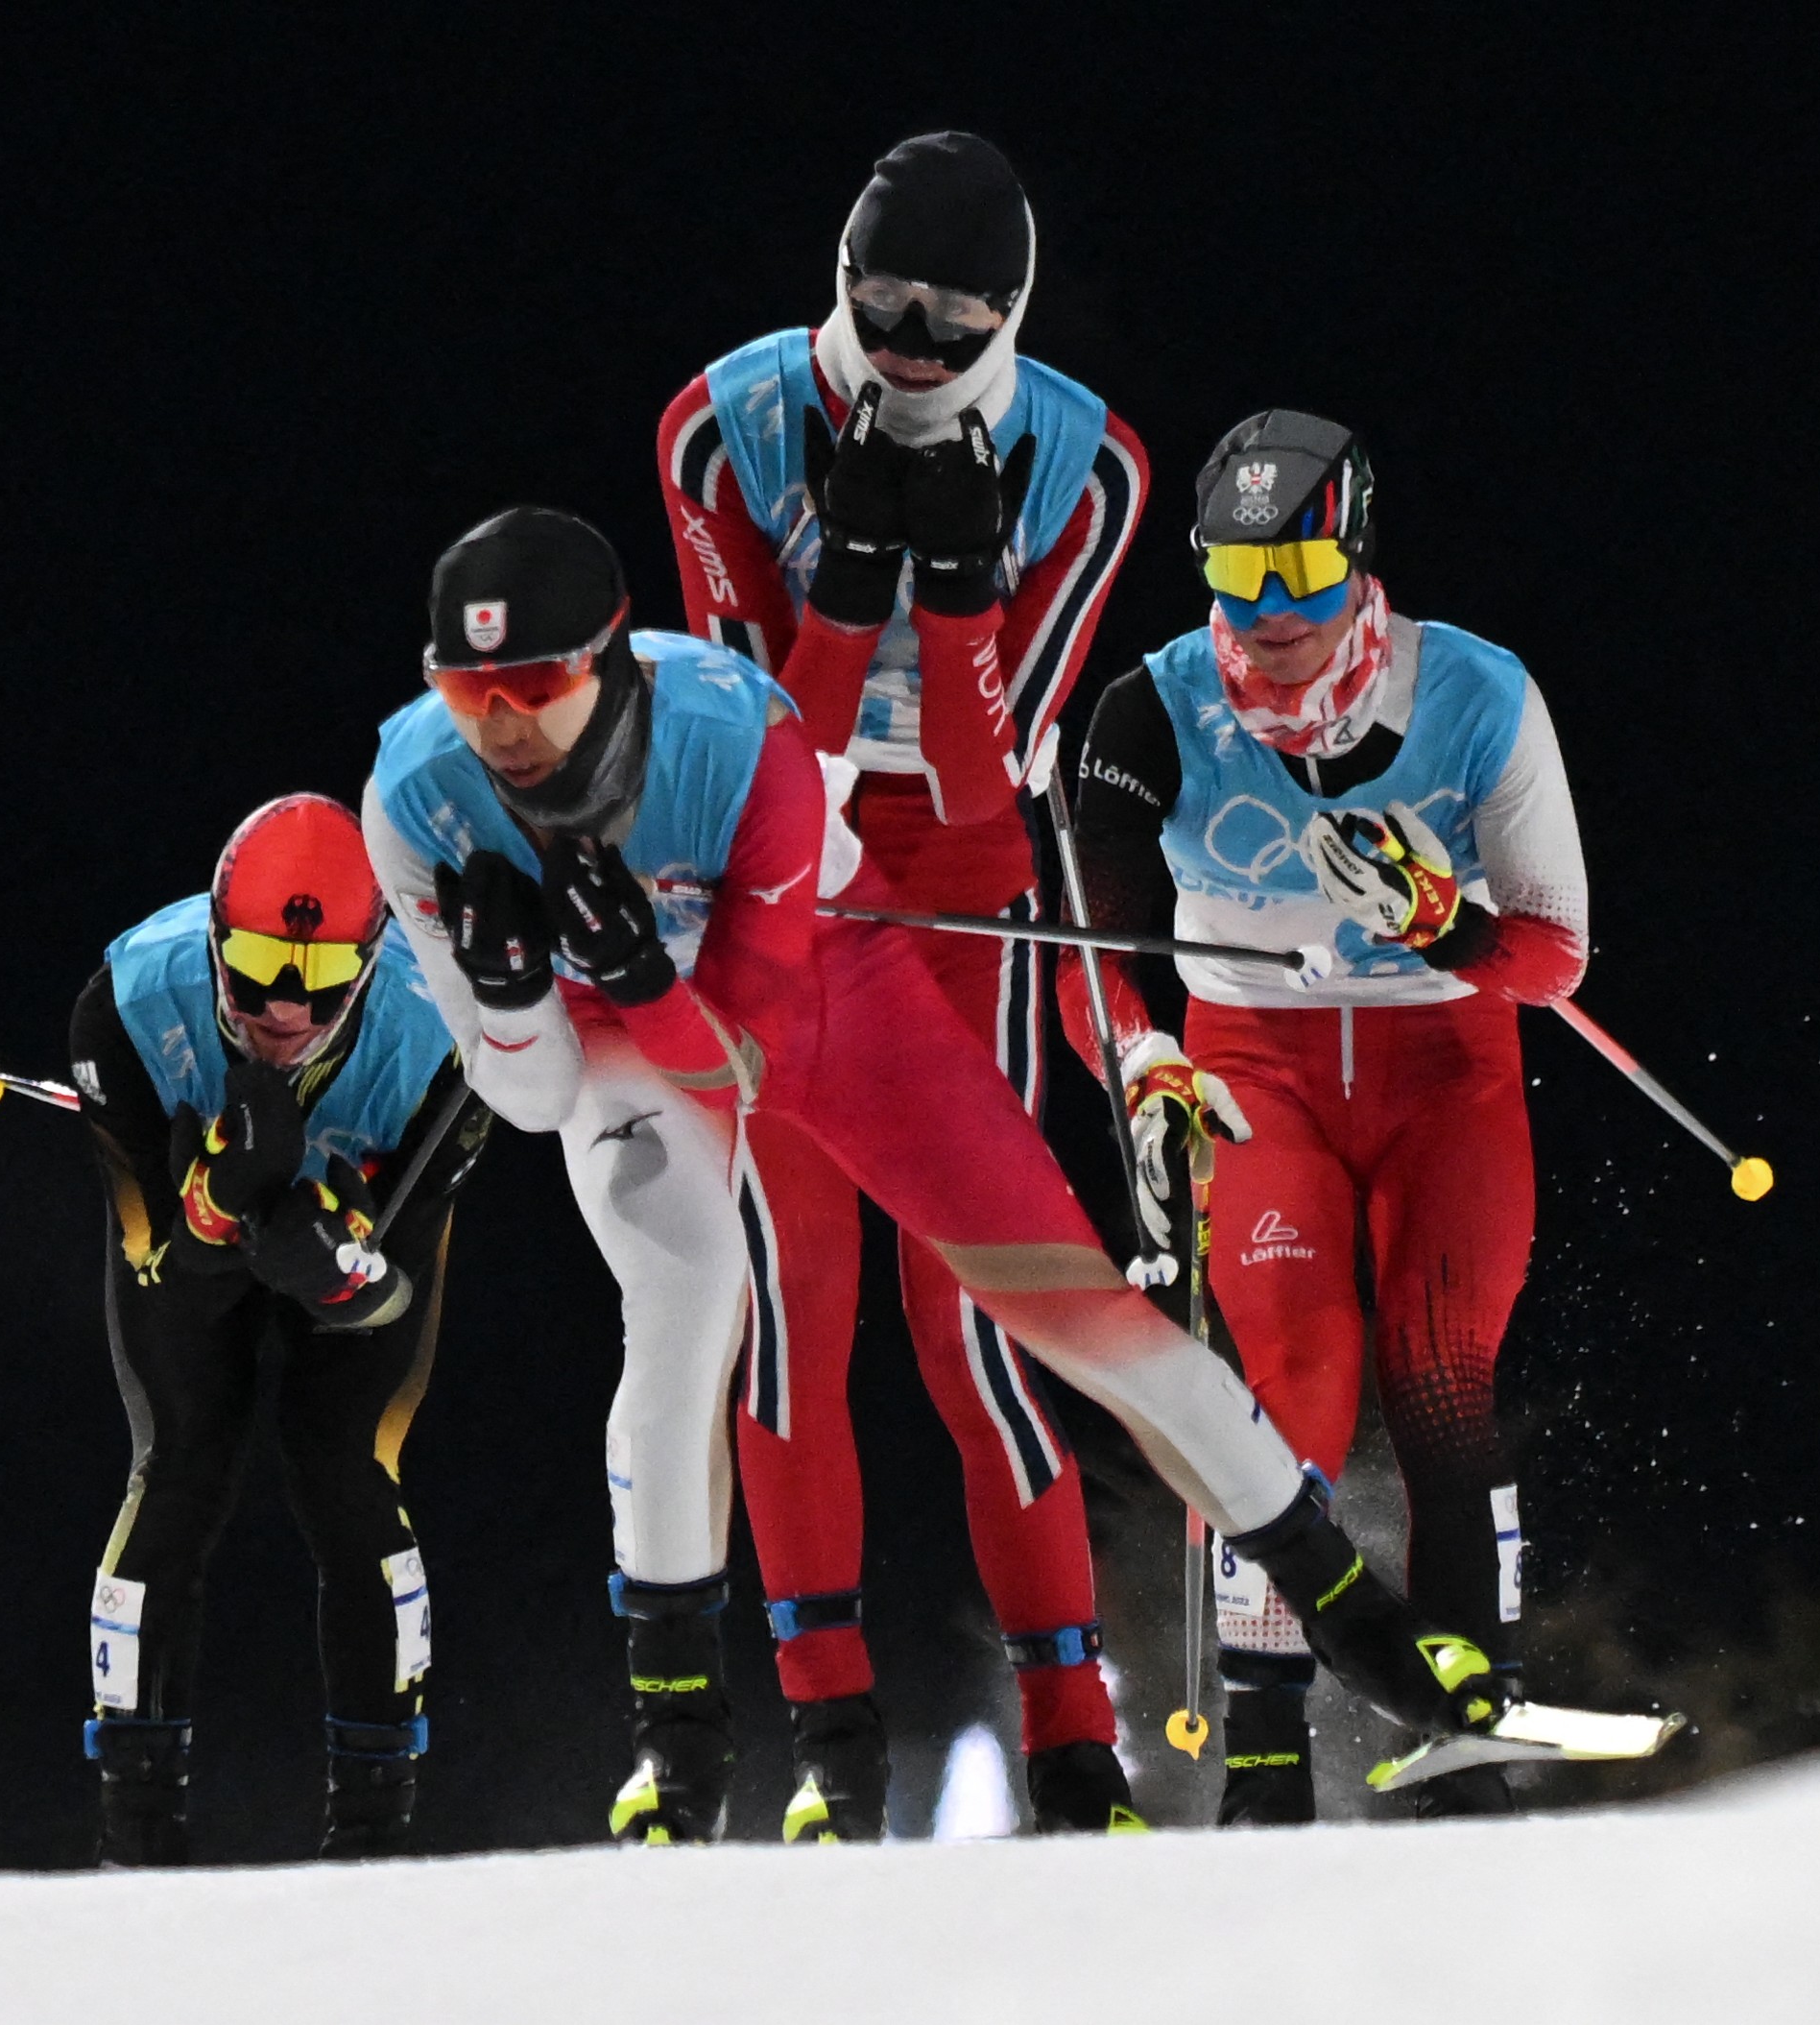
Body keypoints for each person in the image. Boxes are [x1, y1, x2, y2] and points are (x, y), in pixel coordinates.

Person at [365, 504, 1527, 1847]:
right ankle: (677, 1747)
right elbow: (532, 1094)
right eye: (468, 690)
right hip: (626, 1050)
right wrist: (516, 1003)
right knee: (684, 1316)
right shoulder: (410, 798)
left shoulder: (738, 736)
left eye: (536, 686)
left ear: (608, 656)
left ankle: (1367, 1631)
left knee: (1083, 1318)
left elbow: (751, 1049)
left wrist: (633, 969)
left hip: (821, 1001)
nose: (501, 725)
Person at [656, 130, 1150, 1840]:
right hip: (781, 871)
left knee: (982, 1316)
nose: (911, 344)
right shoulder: (717, 424)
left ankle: (1073, 1742)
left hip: (954, 889)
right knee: (796, 1303)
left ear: (1009, 313)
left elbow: (973, 779)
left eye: (953, 316)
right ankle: (831, 1749)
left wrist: (947, 602)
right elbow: (750, 743)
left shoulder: (1089, 466)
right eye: (882, 303)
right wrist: (852, 568)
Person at [1062, 411, 1592, 1823]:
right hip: (1257, 1071)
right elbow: (1100, 966)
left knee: (1437, 1368)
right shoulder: (1149, 711)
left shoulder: (1478, 695)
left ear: (1358, 553)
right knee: (1284, 1378)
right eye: (1237, 576)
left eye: (1300, 568)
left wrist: (1444, 921)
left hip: (1444, 1074)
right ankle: (1265, 1755)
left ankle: (1478, 1707)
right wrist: (1144, 1061)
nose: (1269, 612)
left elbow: (1553, 960)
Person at [68, 793, 491, 1866]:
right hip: (195, 1239)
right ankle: (134, 1838)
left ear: (374, 957)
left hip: (350, 1238)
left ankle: (375, 1835)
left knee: (346, 1470)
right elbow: (162, 1276)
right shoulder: (123, 1005)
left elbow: (398, 1290)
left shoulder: (448, 1035)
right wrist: (215, 1206)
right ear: (213, 940)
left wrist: (341, 1270)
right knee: (177, 1469)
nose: (281, 1009)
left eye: (315, 979)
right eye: (254, 964)